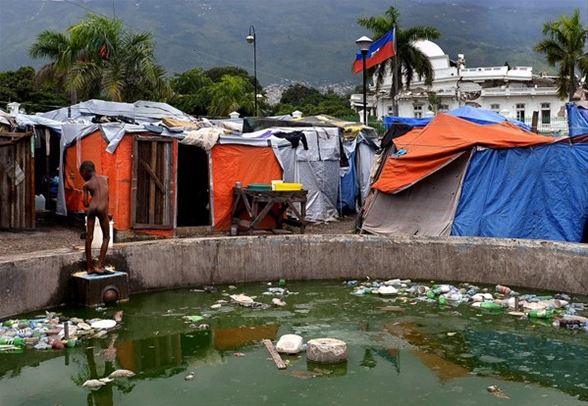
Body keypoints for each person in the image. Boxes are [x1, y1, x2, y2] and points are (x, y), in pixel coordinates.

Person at [80, 161, 110, 274]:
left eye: (82, 174)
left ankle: (89, 268)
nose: (82, 177)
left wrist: (87, 201)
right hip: (103, 208)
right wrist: (107, 212)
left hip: (92, 209)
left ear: (86, 172)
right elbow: (107, 197)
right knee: (106, 237)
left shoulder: (86, 185)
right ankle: (99, 265)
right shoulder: (105, 179)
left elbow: (86, 204)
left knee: (89, 237)